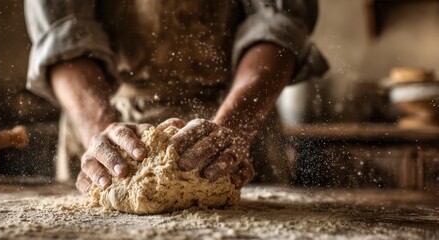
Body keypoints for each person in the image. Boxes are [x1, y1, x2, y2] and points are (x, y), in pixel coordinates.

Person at [24, 0, 328, 193]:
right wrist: (100, 131)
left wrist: (234, 129)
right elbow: (61, 35)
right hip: (108, 116)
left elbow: (280, 23)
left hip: (238, 114)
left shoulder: (236, 127)